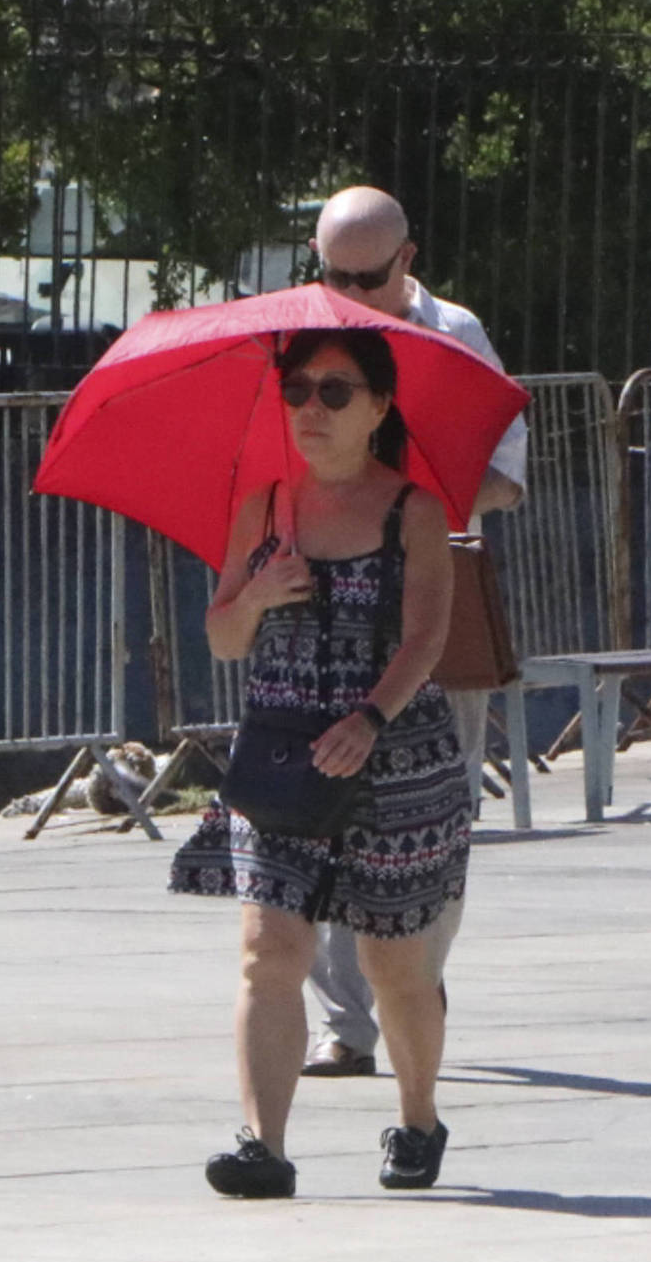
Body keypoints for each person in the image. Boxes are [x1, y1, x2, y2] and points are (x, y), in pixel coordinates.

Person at [170, 327, 471, 1198]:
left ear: (379, 408)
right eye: (297, 390)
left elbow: (427, 636)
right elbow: (224, 637)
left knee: (394, 965)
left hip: (394, 757)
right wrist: (257, 593)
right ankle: (263, 1144)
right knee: (270, 952)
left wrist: (371, 717)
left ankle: (418, 1117)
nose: (311, 408)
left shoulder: (411, 512)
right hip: (281, 754)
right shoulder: (264, 508)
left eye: (335, 392)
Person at [299, 186, 523, 1077]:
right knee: (316, 812)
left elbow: (509, 474)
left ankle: (413, 984)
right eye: (334, 274)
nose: (350, 293)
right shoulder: (298, 341)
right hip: (321, 600)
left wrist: (420, 496)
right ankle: (348, 1026)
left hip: (434, 594)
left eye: (369, 275)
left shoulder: (456, 338)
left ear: (410, 259)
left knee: (438, 812)